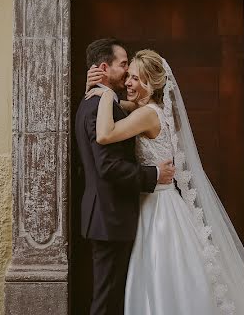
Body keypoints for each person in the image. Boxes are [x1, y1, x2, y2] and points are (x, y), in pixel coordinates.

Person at [86, 48, 244, 315]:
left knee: (158, 272)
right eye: (128, 76)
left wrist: (107, 93)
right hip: (165, 199)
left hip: (157, 207)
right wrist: (99, 90)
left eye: (135, 78)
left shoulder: (146, 115)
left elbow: (105, 134)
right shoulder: (154, 110)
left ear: (150, 83)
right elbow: (124, 108)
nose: (128, 83)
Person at [74, 38, 175, 315]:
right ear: (105, 68)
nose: (127, 76)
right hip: (110, 216)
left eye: (134, 75)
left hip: (117, 215)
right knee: (107, 298)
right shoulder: (99, 105)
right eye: (123, 67)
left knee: (117, 293)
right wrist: (154, 173)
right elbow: (107, 166)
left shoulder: (102, 103)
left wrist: (101, 91)